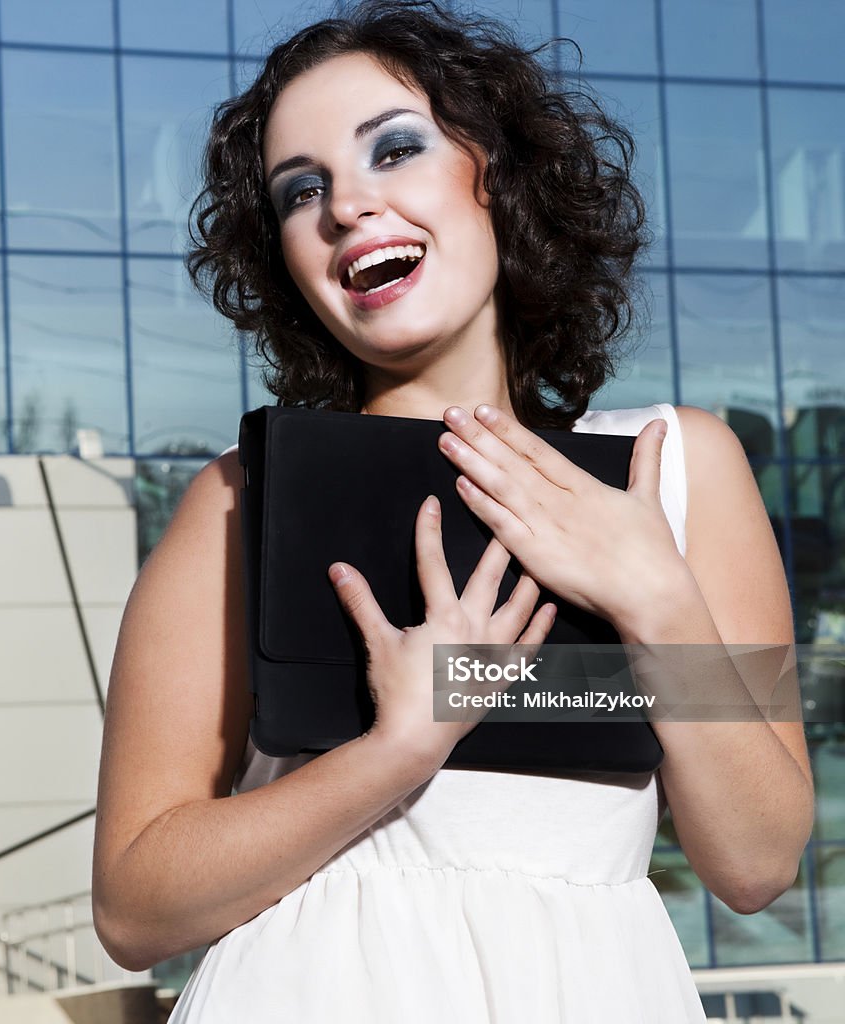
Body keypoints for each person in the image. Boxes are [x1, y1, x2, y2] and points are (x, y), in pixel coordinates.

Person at [91, 2, 814, 1020]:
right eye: (303, 191)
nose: (347, 206)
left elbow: (755, 862)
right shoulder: (236, 501)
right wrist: (400, 745)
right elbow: (133, 908)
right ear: (285, 258)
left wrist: (655, 597)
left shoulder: (675, 466)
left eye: (393, 148)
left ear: (500, 178)